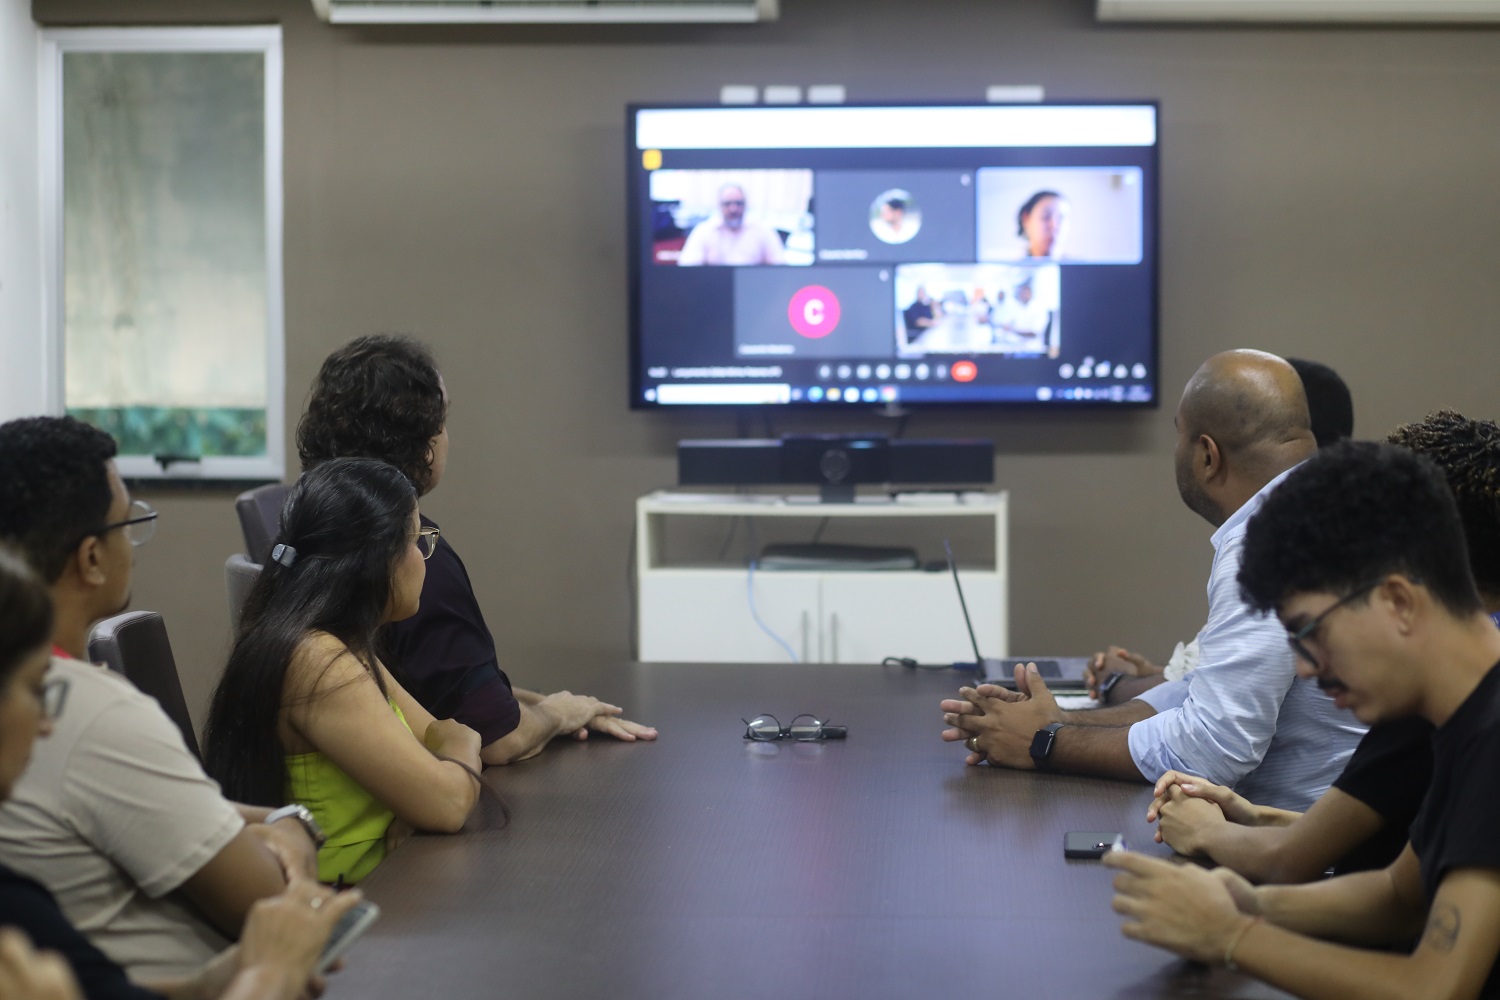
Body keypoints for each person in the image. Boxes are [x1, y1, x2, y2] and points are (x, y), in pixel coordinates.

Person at [1105, 440, 1500, 999]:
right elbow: (1398, 896)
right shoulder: (1460, 719)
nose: (1309, 670)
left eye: (1312, 633)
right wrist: (1247, 902)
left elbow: (1435, 989)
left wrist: (1231, 935)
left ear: (1398, 602)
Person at [939, 350, 1366, 812]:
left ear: (1207, 455)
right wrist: (1059, 720)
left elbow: (1212, 750)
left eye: (1179, 437)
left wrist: (1043, 741)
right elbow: (1201, 692)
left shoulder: (1271, 537)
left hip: (1305, 860)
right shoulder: (1326, 508)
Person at [0, 417, 321, 979]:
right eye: (129, 522)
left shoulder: (37, 703)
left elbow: (178, 805)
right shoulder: (86, 710)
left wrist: (281, 817)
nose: (133, 542)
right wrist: (293, 828)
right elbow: (274, 904)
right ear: (91, 558)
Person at [1148, 410, 1500, 882]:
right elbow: (1398, 878)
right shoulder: (1444, 699)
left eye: (1315, 631)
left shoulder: (1465, 712)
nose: (1308, 668)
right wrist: (1249, 815)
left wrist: (1231, 924)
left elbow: (1435, 951)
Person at [0, 546, 363, 1000]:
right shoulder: (94, 713)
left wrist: (219, 979)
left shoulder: (17, 891)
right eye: (37, 691)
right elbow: (265, 894)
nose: (48, 722)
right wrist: (268, 976)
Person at [296, 336, 656, 766]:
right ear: (423, 445)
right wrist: (555, 715)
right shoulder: (412, 559)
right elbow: (494, 738)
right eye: (442, 422)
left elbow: (441, 691)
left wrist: (551, 706)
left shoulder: (305, 534)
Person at [204, 458, 483, 885]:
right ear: (374, 560)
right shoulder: (317, 661)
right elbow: (448, 796)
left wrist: (421, 798)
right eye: (416, 540)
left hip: (385, 889)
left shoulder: (339, 642)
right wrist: (464, 745)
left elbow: (431, 750)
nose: (424, 557)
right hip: (345, 909)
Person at [1083, 357, 1357, 703]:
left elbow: (1218, 743)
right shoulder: (1339, 521)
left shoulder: (1262, 545)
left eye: (1179, 435)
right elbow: (1215, 689)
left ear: (1209, 457)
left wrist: (1052, 733)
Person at [676, 184, 785, 266]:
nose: (733, 209)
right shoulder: (703, 231)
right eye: (727, 204)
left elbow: (779, 266)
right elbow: (687, 266)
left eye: (738, 203)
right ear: (719, 205)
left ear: (746, 205)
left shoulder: (763, 230)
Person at [1016, 189, 1068, 259]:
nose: (1054, 226)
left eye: (1061, 218)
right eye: (1046, 217)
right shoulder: (1006, 268)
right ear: (1026, 219)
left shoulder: (1081, 268)